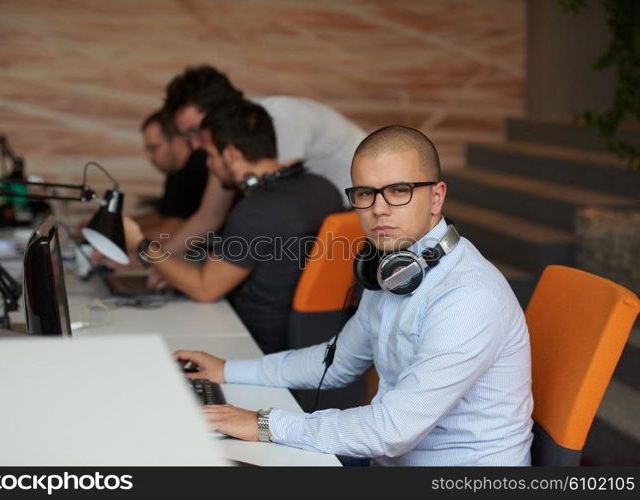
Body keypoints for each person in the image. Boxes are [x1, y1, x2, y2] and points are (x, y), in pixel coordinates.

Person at [174, 125, 534, 466]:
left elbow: (391, 430)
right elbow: (335, 362)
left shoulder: (467, 297)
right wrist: (226, 370)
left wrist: (264, 423)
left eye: (398, 190)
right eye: (365, 194)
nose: (379, 208)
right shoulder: (394, 270)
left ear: (436, 197)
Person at [124, 100, 344, 354]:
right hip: (313, 341)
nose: (208, 165)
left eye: (209, 155)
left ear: (231, 155)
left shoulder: (258, 209)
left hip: (254, 346)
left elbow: (205, 288)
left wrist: (140, 243)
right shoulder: (322, 188)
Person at [154, 65, 365, 259]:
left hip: (358, 207)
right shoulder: (225, 144)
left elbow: (264, 213)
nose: (195, 144)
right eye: (187, 136)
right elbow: (208, 217)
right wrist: (156, 262)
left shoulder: (276, 123)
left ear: (221, 112)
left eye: (195, 131)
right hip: (327, 210)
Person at [134, 109, 208, 239]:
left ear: (177, 142)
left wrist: (117, 236)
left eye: (154, 148)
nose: (150, 156)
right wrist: (115, 225)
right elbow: (164, 214)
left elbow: (171, 231)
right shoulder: (176, 172)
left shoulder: (194, 172)